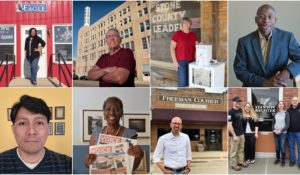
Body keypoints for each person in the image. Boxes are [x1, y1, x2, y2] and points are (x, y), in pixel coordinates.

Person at [0, 95, 71, 174]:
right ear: (13, 129)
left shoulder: (67, 165)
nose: (31, 131)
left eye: (39, 123)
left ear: (48, 128)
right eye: (22, 123)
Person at [234, 4, 300, 87]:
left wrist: (288, 71)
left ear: (275, 20)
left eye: (270, 17)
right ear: (256, 20)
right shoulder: (244, 42)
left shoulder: (287, 37)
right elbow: (239, 69)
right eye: (261, 16)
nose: (266, 21)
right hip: (252, 89)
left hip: (278, 88)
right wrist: (264, 82)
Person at [84, 97, 144, 172]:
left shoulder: (130, 134)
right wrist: (87, 162)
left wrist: (140, 156)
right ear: (104, 112)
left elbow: (131, 167)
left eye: (116, 109)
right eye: (108, 109)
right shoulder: (96, 132)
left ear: (122, 113)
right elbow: (88, 164)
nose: (112, 112)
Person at [170, 17, 197, 87]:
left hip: (192, 61)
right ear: (182, 24)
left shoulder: (193, 35)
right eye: (184, 22)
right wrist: (175, 62)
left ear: (190, 25)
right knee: (182, 83)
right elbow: (172, 48)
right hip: (181, 62)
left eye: (187, 23)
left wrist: (201, 45)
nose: (186, 24)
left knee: (190, 82)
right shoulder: (177, 34)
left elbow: (197, 47)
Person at [228, 96, 248, 171]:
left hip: (241, 134)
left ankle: (240, 162)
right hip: (234, 135)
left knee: (241, 149)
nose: (238, 103)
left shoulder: (240, 110)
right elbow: (229, 125)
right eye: (236, 102)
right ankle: (233, 164)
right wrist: (234, 135)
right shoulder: (230, 112)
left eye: (239, 102)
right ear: (233, 102)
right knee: (233, 151)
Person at [272, 101, 290, 167]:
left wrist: (281, 130)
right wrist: (273, 129)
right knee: (277, 146)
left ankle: (283, 160)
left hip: (283, 133)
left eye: (282, 104)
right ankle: (278, 159)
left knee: (282, 147)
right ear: (278, 106)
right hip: (275, 133)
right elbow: (273, 123)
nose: (281, 105)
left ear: (284, 106)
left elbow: (287, 124)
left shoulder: (286, 113)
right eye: (280, 104)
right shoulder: (275, 113)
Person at [287, 97, 300, 169]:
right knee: (291, 147)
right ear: (291, 102)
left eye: (296, 100)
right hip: (290, 132)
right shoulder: (288, 110)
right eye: (293, 100)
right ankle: (292, 160)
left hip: (299, 132)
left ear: (298, 102)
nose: (295, 101)